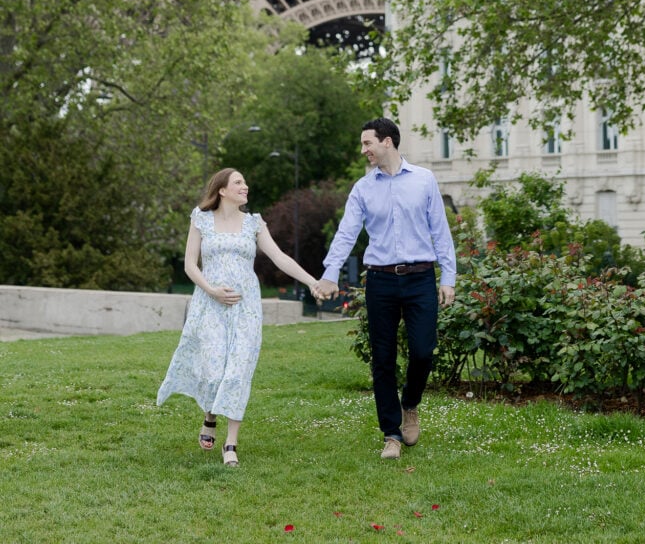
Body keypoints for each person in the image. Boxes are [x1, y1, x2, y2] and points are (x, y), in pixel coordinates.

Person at [156, 167, 324, 465]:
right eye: (238, 182)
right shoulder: (201, 219)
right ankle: (210, 416)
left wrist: (312, 282)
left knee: (237, 370)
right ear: (222, 190)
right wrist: (212, 291)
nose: (245, 186)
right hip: (209, 305)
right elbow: (190, 265)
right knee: (213, 367)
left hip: (245, 307)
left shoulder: (254, 223)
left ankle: (230, 444)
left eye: (245, 181)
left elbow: (279, 257)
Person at [316, 118, 456, 460]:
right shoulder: (363, 188)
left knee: (423, 351)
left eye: (368, 143)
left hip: (421, 277)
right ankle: (391, 434)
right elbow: (347, 233)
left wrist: (448, 277)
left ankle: (410, 403)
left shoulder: (424, 180)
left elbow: (440, 230)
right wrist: (330, 273)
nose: (364, 150)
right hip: (380, 280)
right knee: (382, 359)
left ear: (388, 142)